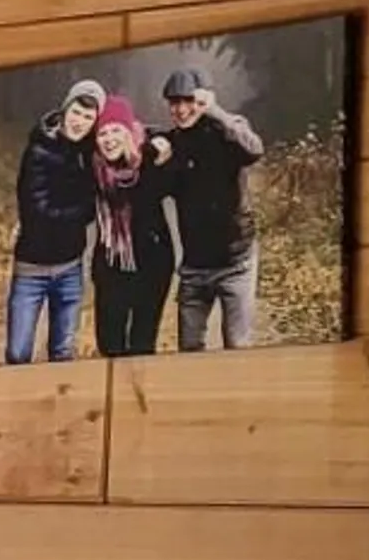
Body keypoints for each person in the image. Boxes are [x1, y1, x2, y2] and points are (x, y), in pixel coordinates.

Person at [157, 65, 266, 349]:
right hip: (194, 266)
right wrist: (160, 161)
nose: (181, 110)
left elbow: (254, 149)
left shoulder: (228, 130)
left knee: (237, 347)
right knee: (190, 349)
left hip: (236, 263)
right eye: (174, 102)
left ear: (205, 100)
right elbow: (159, 189)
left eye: (189, 101)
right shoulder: (173, 143)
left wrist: (215, 111)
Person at [4, 79, 99, 362]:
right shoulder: (39, 149)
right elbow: (36, 211)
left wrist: (160, 138)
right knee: (18, 353)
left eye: (88, 117)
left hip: (70, 268)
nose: (79, 122)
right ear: (65, 110)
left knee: (62, 353)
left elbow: (128, 132)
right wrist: (83, 212)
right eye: (76, 113)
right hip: (31, 269)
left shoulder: (89, 151)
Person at [87, 90, 179, 356]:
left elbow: (178, 148)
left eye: (116, 130)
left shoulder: (150, 158)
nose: (109, 140)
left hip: (153, 263)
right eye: (102, 133)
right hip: (111, 264)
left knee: (142, 345)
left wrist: (161, 144)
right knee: (109, 344)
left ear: (129, 132)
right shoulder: (92, 168)